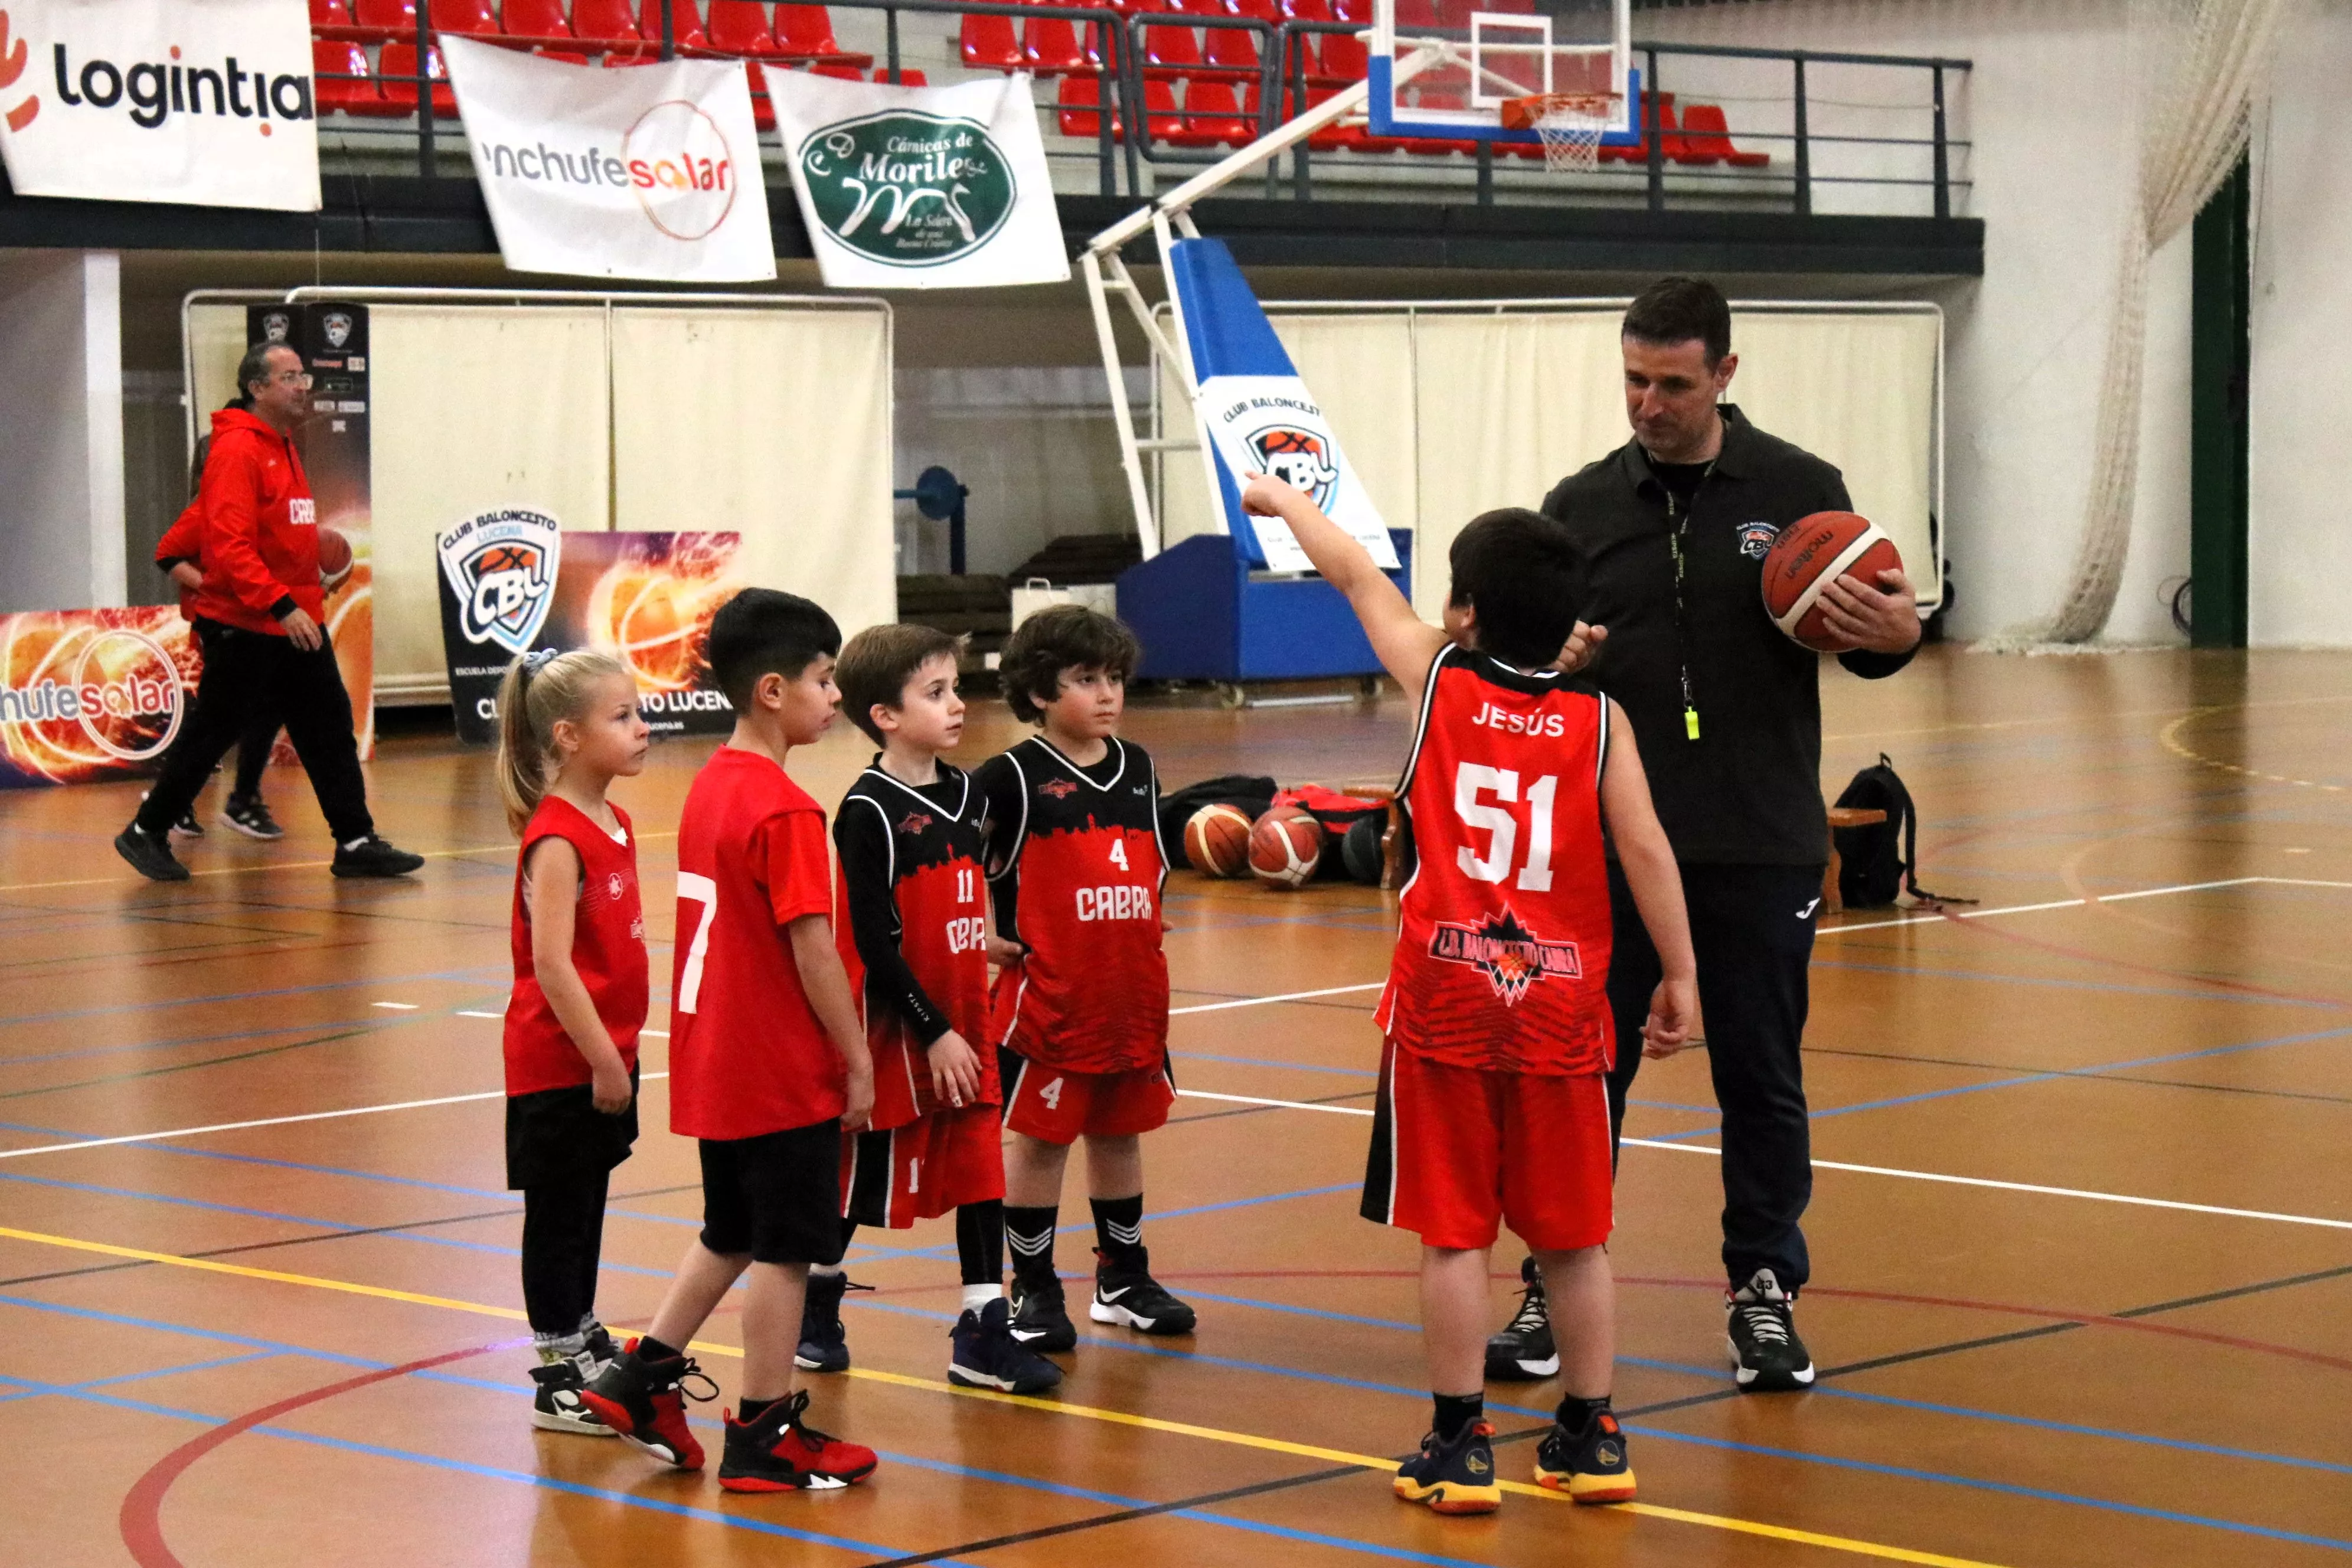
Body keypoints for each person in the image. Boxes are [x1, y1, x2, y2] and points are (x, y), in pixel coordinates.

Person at [1483, 276, 1923, 1394]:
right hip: (1608, 847)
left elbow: (1868, 633)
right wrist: (1555, 664)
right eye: (1632, 379)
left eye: (1671, 383)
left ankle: (1762, 1293)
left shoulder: (1799, 490)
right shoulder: (1578, 505)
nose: (1647, 402)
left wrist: (1894, 633)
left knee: (1761, 1080)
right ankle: (1552, 1278)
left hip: (1760, 837)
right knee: (1584, 1076)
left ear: (1723, 375)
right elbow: (1522, 668)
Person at [1240, 473, 1698, 1515]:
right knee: (1573, 1238)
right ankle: (1590, 1432)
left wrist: (1283, 501)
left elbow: (1352, 568)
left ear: (1463, 611)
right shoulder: (1599, 720)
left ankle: (1457, 1442)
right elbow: (1642, 848)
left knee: (1454, 1235)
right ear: (1569, 621)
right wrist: (1676, 973)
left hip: (1446, 999)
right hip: (1561, 1007)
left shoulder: (1437, 677)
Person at [582, 588, 879, 1494]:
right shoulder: (785, 809)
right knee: (787, 1251)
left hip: (718, 1058)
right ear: (774, 690)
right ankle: (764, 1433)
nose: (836, 697)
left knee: (731, 1230)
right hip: (780, 1066)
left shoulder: (712, 785)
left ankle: (642, 1375)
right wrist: (857, 1057)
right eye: (826, 681)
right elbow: (812, 944)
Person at [815, 622, 1063, 1395]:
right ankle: (813, 1301)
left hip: (967, 1014)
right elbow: (876, 942)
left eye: (956, 688)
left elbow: (948, 894)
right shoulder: (868, 811)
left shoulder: (962, 791)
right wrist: (934, 1030)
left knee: (980, 1161)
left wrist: (978, 941)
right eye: (937, 693)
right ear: (884, 715)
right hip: (903, 1028)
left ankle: (981, 1327)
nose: (958, 705)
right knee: (863, 1179)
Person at [114, 341, 422, 882]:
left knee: (328, 730)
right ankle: (146, 829)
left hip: (296, 623)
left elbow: (284, 535)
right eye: (290, 377)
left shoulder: (283, 446)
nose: (304, 385)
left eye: (304, 375)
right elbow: (231, 547)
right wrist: (282, 605)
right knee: (214, 732)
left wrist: (314, 581)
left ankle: (355, 841)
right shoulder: (237, 451)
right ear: (257, 388)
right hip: (248, 625)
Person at [975, 605, 1196, 1352]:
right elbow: (949, 869)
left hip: (1131, 993)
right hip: (1049, 999)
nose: (1106, 694)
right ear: (1039, 691)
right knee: (1041, 1144)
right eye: (1085, 680)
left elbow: (1150, 868)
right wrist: (980, 933)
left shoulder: (1138, 766)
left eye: (1114, 679)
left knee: (1121, 1132)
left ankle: (1122, 1275)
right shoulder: (1007, 778)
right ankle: (1032, 1286)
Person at [493, 648, 651, 1438]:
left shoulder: (614, 820)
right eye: (620, 717)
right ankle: (555, 1370)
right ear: (567, 736)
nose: (640, 728)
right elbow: (553, 965)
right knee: (557, 1214)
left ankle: (580, 1327)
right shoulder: (557, 837)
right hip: (564, 1063)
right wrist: (600, 1059)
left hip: (607, 1054)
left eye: (637, 711)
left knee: (587, 1200)